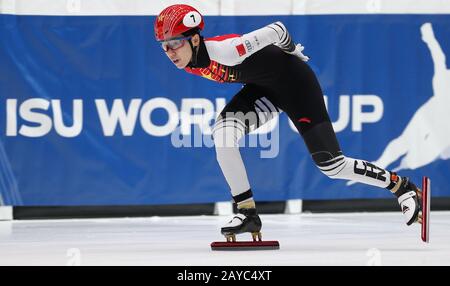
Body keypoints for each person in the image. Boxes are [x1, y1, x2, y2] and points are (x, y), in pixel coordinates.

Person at [154, 4, 423, 242]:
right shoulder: (190, 60)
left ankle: (403, 187)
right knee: (223, 134)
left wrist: (293, 51)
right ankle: (247, 213)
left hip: (297, 85)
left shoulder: (226, 52)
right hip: (264, 87)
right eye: (164, 46)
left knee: (332, 165)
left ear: (195, 38)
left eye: (175, 43)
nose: (169, 52)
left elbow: (277, 29)